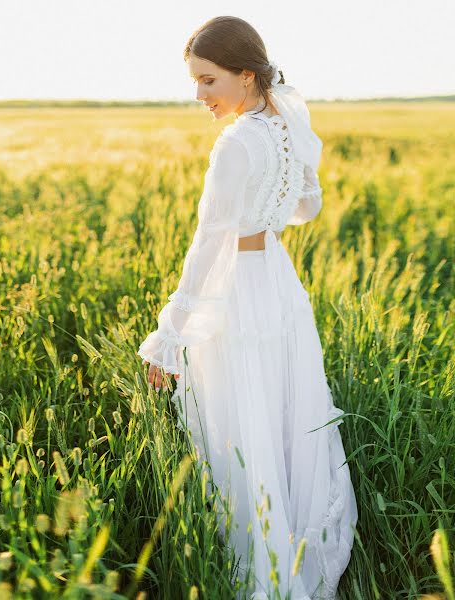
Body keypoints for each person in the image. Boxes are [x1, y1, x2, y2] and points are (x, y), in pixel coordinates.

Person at [138, 16, 358, 600]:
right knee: (280, 412)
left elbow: (208, 244)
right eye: (195, 83)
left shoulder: (236, 144)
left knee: (244, 419)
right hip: (276, 281)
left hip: (237, 286)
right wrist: (271, 197)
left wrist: (170, 336)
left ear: (244, 74)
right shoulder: (285, 122)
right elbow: (306, 208)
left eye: (208, 82)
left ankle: (259, 563)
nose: (199, 96)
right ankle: (293, 544)